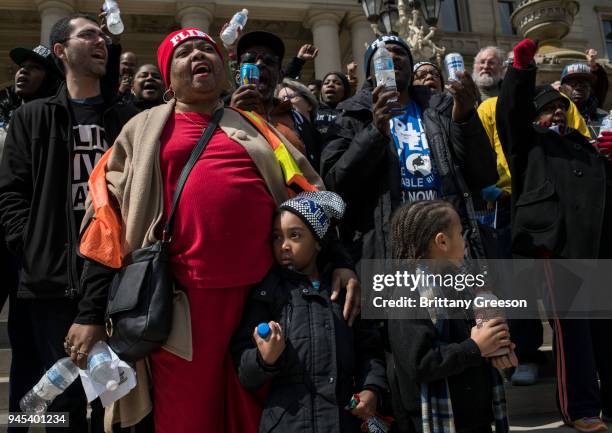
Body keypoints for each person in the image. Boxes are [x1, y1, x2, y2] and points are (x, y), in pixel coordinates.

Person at [76, 27, 360, 433]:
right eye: (184, 53)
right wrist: (89, 313)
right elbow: (107, 218)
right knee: (188, 420)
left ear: (224, 70)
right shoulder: (140, 130)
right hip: (180, 309)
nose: (197, 56)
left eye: (206, 49)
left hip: (263, 301)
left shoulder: (261, 130)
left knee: (258, 414)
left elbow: (310, 197)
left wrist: (338, 262)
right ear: (168, 78)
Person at [0, 14, 138, 433]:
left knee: (113, 399)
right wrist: (32, 245)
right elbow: (11, 194)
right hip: (47, 280)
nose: (101, 40)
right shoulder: (32, 117)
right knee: (51, 396)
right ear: (60, 51)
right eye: (88, 35)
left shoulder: (128, 120)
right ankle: (18, 428)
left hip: (115, 278)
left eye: (102, 35)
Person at [497, 38, 612, 433]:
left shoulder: (586, 146)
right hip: (557, 250)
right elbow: (510, 111)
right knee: (574, 334)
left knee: (606, 330)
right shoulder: (528, 144)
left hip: (596, 250)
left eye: (561, 109)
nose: (557, 116)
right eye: (547, 110)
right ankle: (581, 408)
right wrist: (522, 69)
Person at [320, 34, 498, 264]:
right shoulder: (350, 116)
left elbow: (484, 175)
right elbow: (335, 183)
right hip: (387, 253)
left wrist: (465, 120)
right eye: (384, 55)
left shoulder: (441, 108)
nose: (393, 56)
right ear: (370, 73)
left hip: (448, 250)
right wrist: (375, 132)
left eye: (400, 52)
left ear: (411, 67)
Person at [231, 191, 387, 433]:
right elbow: (245, 372)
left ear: (317, 241)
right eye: (276, 237)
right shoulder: (266, 293)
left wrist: (372, 388)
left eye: (294, 236)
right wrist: (265, 359)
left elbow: (369, 348)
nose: (283, 245)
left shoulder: (344, 292)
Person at [387, 200, 515, 433]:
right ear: (442, 242)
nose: (464, 240)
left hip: (475, 415)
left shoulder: (460, 283)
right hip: (439, 421)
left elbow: (476, 339)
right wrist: (475, 347)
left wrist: (498, 350)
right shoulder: (407, 292)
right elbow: (419, 364)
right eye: (459, 234)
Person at [230, 31, 324, 171]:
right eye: (250, 59)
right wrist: (230, 118)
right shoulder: (218, 117)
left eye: (269, 61)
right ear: (238, 76)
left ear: (280, 76)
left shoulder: (299, 121)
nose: (260, 63)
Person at [560, 62, 608, 138]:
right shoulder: (554, 116)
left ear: (590, 90)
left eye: (584, 84)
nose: (579, 88)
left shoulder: (605, 119)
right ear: (561, 89)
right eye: (573, 84)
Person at [314, 71, 351, 136]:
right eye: (326, 83)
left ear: (345, 90)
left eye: (337, 83)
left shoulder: (351, 112)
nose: (330, 85)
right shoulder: (312, 109)